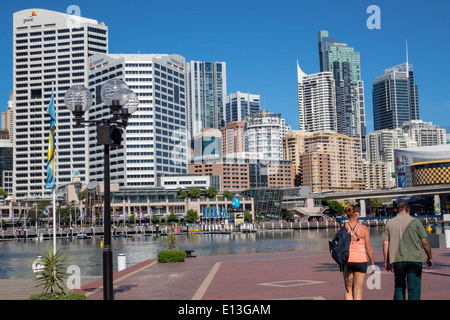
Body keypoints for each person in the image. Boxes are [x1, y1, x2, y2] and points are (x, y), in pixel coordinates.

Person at [382, 202, 433, 300]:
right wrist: (429, 257)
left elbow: (385, 243)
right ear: (408, 210)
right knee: (414, 290)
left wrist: (387, 261)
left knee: (399, 287)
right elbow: (425, 242)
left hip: (397, 260)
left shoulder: (390, 223)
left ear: (397, 210)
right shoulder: (416, 222)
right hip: (414, 259)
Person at [342, 205, 375, 300]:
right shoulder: (363, 228)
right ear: (356, 213)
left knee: (348, 289)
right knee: (358, 290)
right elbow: (368, 248)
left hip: (347, 261)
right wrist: (372, 264)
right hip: (361, 261)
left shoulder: (343, 228)